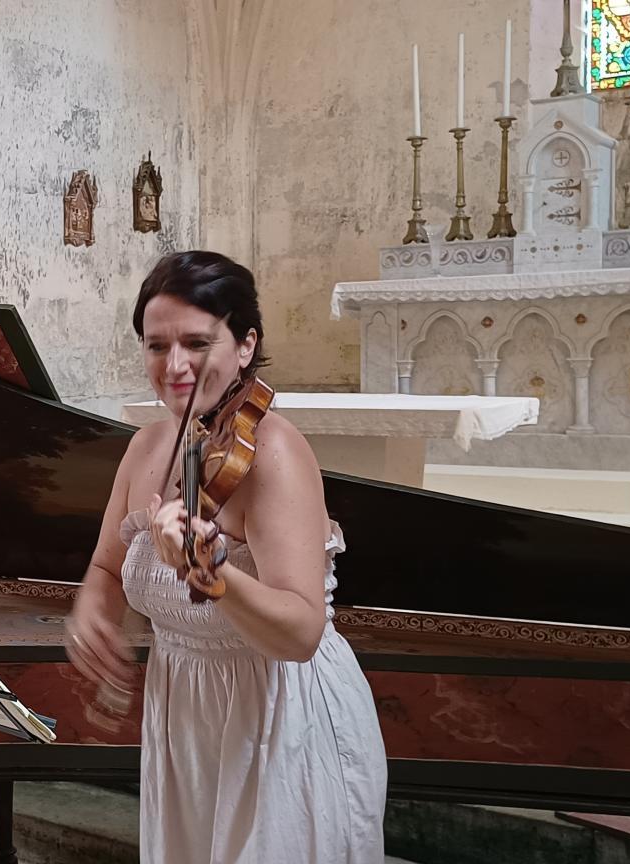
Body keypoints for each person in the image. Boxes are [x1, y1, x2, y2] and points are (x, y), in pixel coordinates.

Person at [64, 251, 387, 863]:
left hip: (280, 721)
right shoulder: (146, 448)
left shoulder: (273, 454)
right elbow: (108, 566)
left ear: (245, 345)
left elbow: (300, 631)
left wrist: (209, 577)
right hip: (185, 720)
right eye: (157, 346)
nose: (175, 365)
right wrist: (93, 612)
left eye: (196, 342)